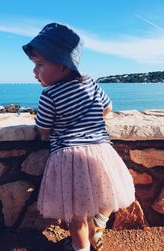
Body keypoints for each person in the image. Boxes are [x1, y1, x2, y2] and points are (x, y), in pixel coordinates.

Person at [22, 23, 135, 251]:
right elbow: (107, 108)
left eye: (40, 65)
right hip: (101, 151)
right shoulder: (91, 84)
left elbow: (44, 130)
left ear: (63, 67)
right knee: (106, 193)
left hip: (69, 158)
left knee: (77, 216)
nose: (35, 72)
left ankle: (80, 248)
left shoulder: (49, 95)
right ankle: (100, 223)